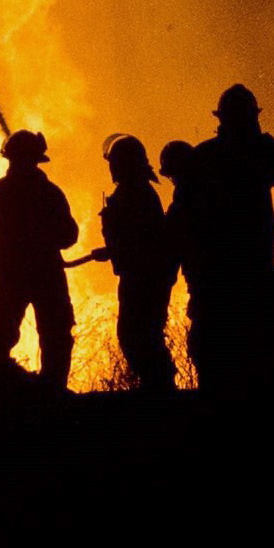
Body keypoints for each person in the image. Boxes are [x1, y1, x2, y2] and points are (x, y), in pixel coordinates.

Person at [182, 84, 274, 395]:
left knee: (221, 373)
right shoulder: (257, 152)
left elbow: (182, 226)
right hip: (243, 284)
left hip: (217, 285)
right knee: (262, 371)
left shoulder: (203, 157)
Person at [0, 128, 79, 388]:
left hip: (10, 277)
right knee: (55, 334)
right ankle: (53, 390)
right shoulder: (50, 193)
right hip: (46, 276)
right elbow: (69, 236)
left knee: (2, 334)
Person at [94, 134, 178, 392]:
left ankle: (160, 389)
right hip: (143, 275)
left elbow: (141, 240)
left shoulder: (135, 193)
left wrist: (115, 248)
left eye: (115, 162)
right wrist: (112, 250)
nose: (112, 167)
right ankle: (158, 386)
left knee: (137, 334)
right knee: (140, 334)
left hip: (143, 278)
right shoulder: (137, 191)